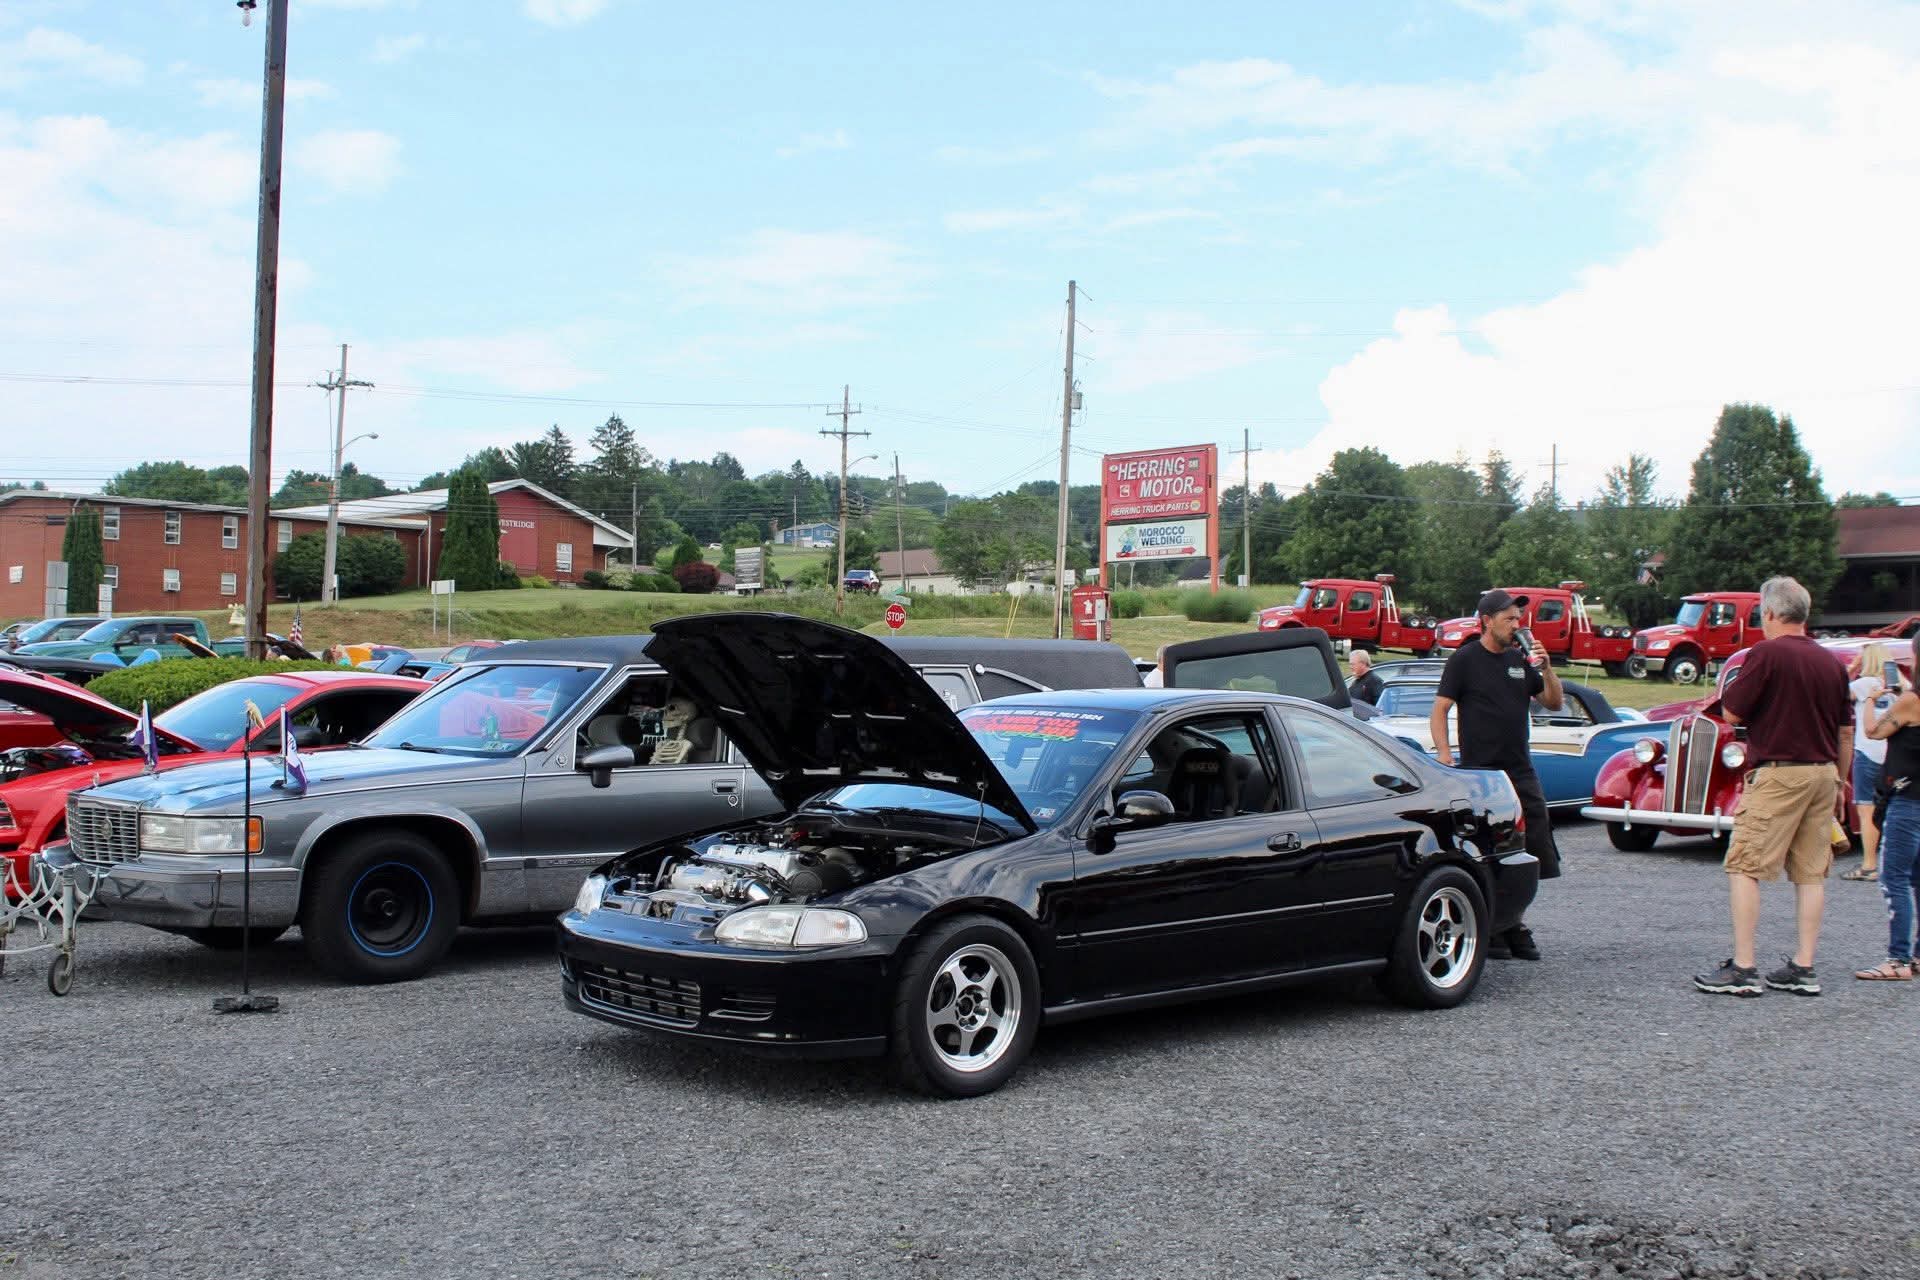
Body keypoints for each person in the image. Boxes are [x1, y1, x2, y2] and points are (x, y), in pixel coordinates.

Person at [1692, 577, 1851, 998]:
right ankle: (1804, 966)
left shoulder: (1765, 654)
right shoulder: (1831, 662)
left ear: (1772, 613)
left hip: (1780, 772)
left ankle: (1744, 968)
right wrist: (1841, 781)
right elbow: (1845, 731)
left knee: (1744, 865)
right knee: (1811, 872)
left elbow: (1731, 711)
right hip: (1823, 772)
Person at [1431, 589, 1564, 961]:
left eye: (1519, 619)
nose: (1517, 625)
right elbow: (1440, 708)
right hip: (1482, 774)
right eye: (1510, 618)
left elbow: (1553, 702)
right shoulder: (1465, 659)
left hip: (1520, 770)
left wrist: (1547, 668)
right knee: (1492, 852)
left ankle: (1511, 922)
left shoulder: (1521, 661)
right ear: (1487, 620)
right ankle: (1498, 929)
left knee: (1533, 850)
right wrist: (1445, 755)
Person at [1854, 633, 1919, 981]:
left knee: (1894, 877)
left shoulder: (1911, 700)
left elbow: (1874, 731)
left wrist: (1872, 699)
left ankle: (1898, 959)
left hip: (1907, 802)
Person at [1841, 641, 1900, 881]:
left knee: (1867, 811)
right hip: (1891, 754)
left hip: (1867, 752)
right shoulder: (1898, 687)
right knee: (1895, 810)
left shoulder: (1864, 684)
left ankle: (1869, 864)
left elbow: (1836, 690)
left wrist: (1851, 667)